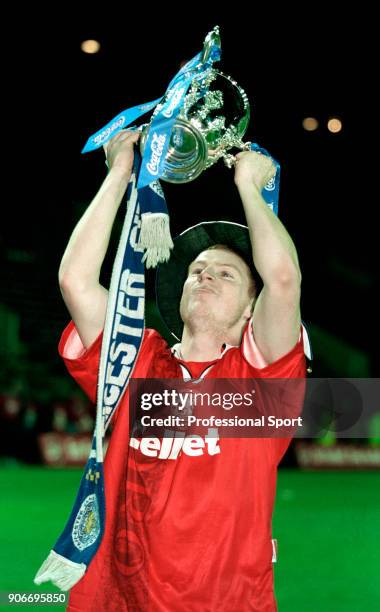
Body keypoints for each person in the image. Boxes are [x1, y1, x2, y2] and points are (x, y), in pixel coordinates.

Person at [58, 129, 310, 611]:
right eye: (197, 270)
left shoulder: (261, 382)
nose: (204, 275)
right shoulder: (138, 361)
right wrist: (119, 174)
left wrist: (250, 189)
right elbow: (75, 280)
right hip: (118, 598)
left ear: (248, 313)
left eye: (225, 273)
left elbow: (282, 279)